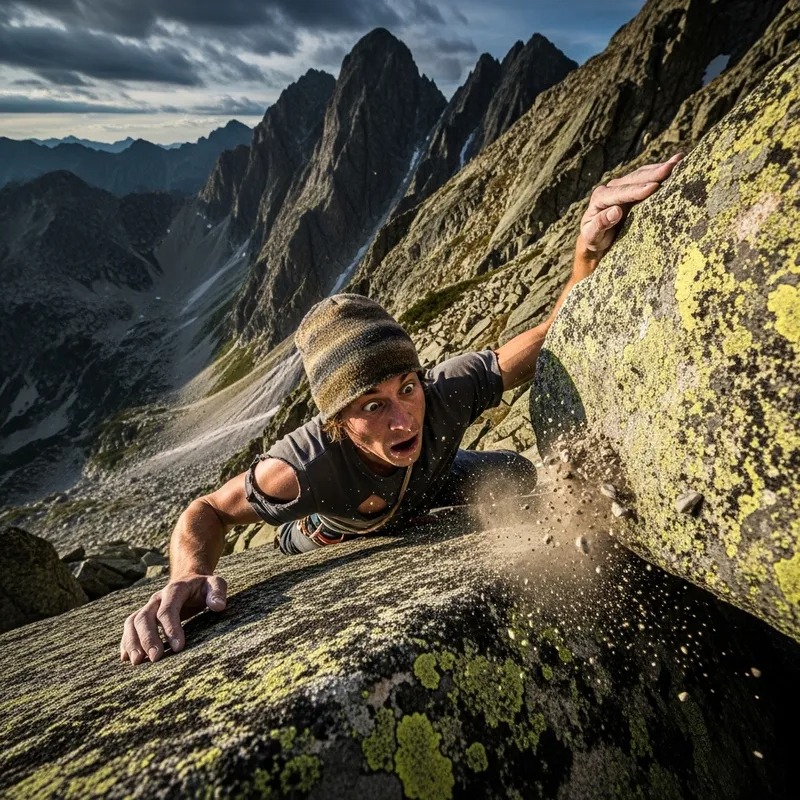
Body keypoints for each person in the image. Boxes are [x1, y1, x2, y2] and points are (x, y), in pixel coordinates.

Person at [120, 154, 684, 665]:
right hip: (331, 525)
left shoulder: (446, 389)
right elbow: (210, 511)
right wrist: (188, 577)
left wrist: (587, 251)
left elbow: (549, 336)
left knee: (514, 475)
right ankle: (319, 532)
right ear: (338, 421)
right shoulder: (306, 464)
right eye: (372, 404)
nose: (402, 418)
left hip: (433, 481)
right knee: (300, 540)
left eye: (406, 388)